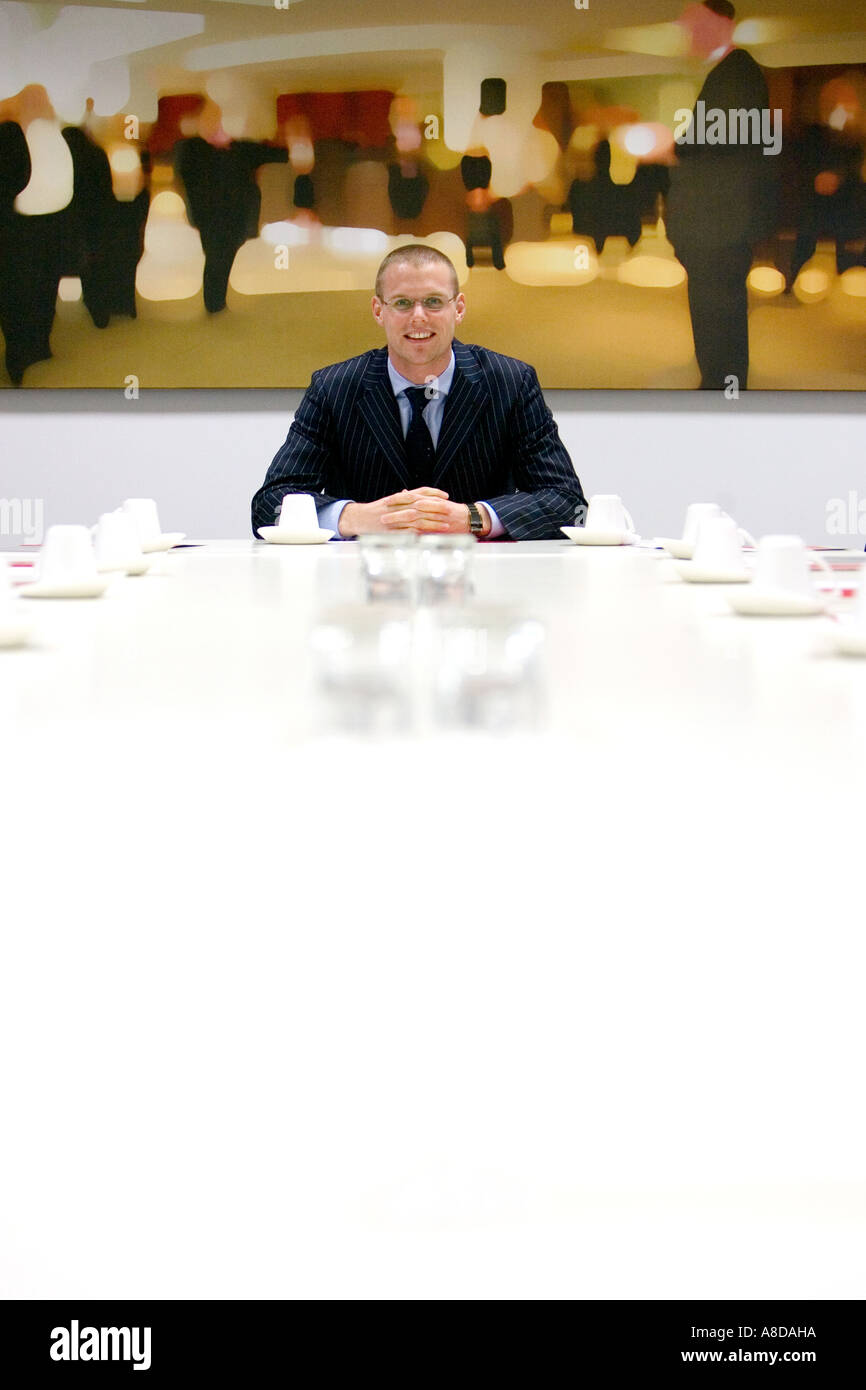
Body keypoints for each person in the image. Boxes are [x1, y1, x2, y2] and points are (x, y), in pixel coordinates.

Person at [252, 244, 585, 541]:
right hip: (361, 582)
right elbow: (270, 506)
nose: (418, 317)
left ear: (459, 308)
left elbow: (567, 502)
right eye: (402, 303)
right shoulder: (334, 388)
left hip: (482, 580)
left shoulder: (511, 382)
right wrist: (357, 517)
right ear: (378, 310)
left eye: (433, 302)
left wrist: (472, 517)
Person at [665, 1, 778, 390]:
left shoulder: (736, 74)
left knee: (719, 315)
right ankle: (722, 384)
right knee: (719, 315)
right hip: (719, 226)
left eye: (693, 21)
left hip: (719, 227)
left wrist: (671, 146)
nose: (686, 29)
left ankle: (723, 389)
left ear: (719, 22)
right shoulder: (732, 74)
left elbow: (717, 147)